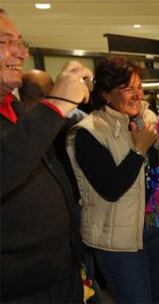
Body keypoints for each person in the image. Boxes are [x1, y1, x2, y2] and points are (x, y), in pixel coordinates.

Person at [66, 57, 159, 303]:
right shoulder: (88, 133)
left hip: (158, 224)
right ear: (106, 94)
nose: (137, 95)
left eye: (139, 87)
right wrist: (139, 149)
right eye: (127, 88)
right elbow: (111, 188)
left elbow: (156, 170)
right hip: (118, 239)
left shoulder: (148, 117)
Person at [0, 8, 93, 303]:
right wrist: (55, 104)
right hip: (18, 288)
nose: (20, 53)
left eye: (20, 42)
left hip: (59, 274)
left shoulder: (15, 110)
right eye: (5, 42)